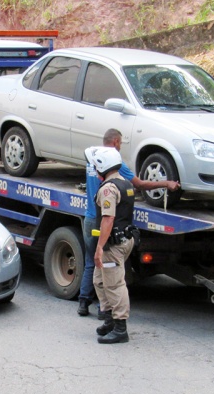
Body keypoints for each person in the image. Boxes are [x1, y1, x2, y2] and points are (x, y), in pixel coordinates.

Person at [77, 128, 181, 317]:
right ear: (116, 142)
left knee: (91, 261)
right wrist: (166, 184)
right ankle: (104, 309)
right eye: (121, 143)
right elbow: (139, 184)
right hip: (105, 222)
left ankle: (83, 303)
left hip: (90, 218)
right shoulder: (114, 163)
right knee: (108, 265)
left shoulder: (93, 159)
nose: (121, 147)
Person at [84, 146, 137, 344]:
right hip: (121, 240)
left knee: (114, 284)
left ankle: (120, 328)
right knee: (99, 280)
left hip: (112, 246)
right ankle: (109, 321)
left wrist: (99, 248)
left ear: (102, 167)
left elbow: (108, 218)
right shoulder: (124, 183)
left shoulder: (108, 188)